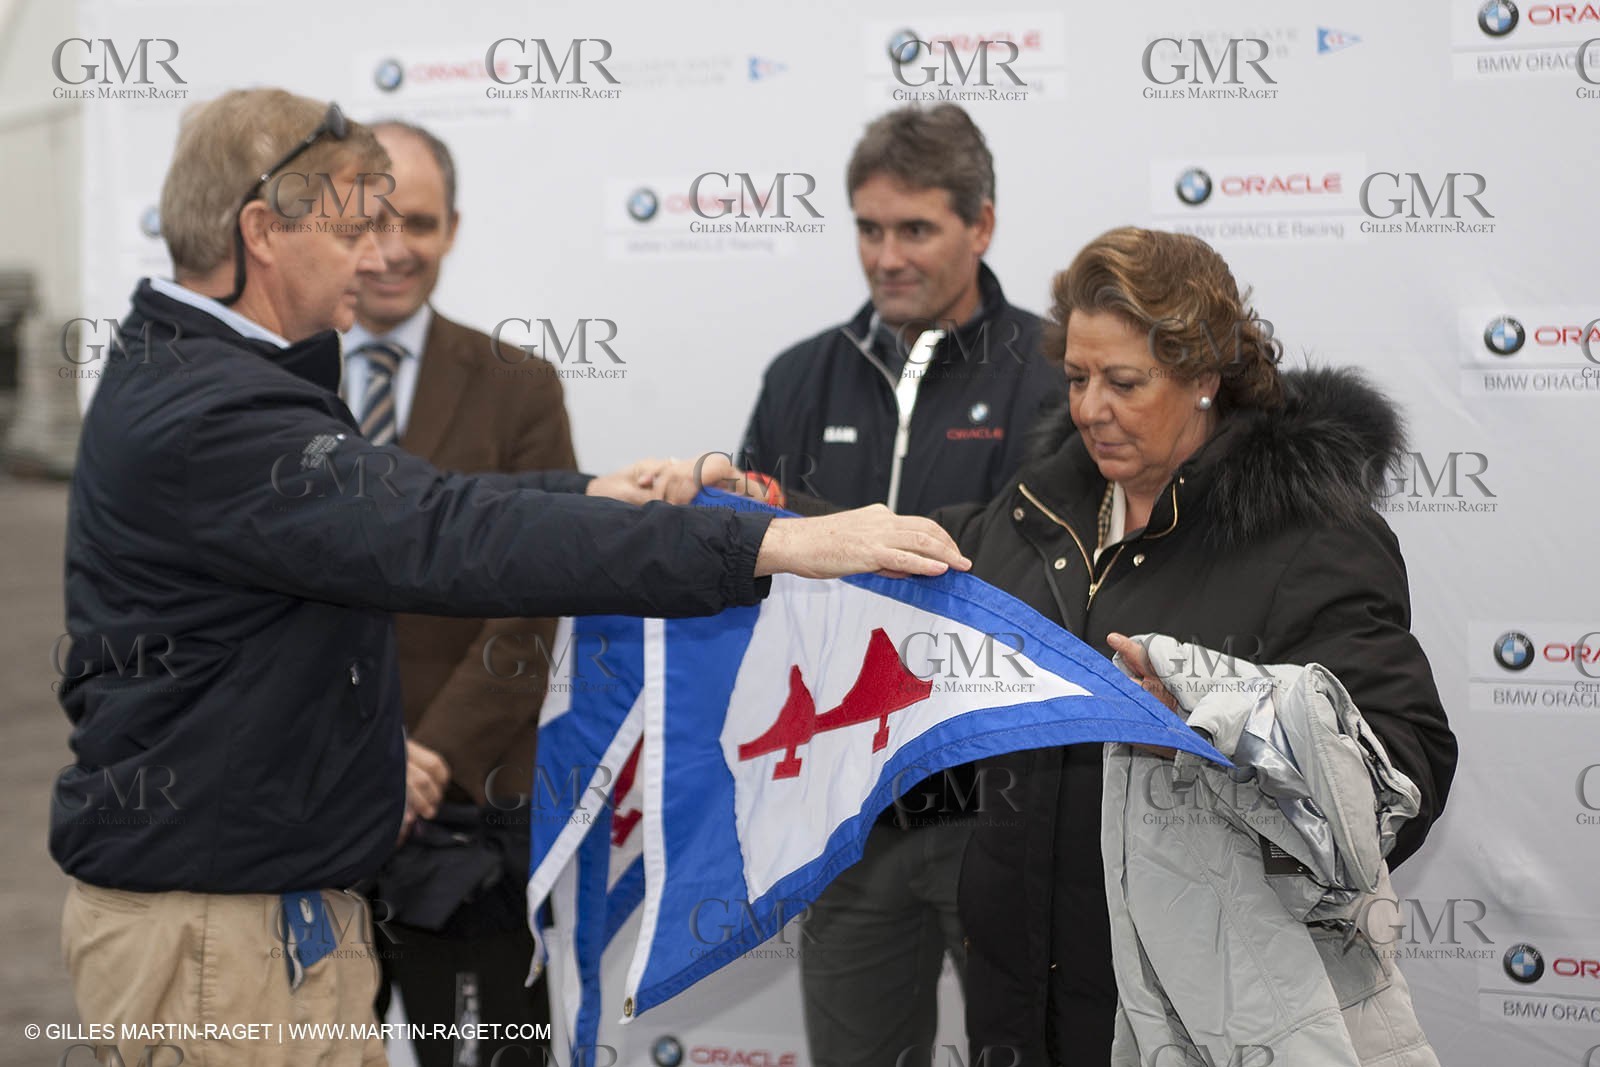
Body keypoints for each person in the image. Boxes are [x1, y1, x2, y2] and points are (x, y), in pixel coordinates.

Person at [50, 87, 967, 1067]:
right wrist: (766, 547)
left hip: (255, 920)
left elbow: (421, 507)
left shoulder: (210, 373)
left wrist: (598, 493)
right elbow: (442, 528)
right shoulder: (216, 413)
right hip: (220, 941)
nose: (376, 257)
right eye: (354, 229)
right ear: (263, 231)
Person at [933, 227, 1458, 1065]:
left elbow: (1402, 767)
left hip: (1210, 1022)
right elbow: (930, 560)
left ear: (1205, 378)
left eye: (1124, 382)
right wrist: (772, 518)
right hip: (1020, 1005)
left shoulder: (1310, 533)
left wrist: (1220, 717)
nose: (1089, 408)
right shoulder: (1044, 505)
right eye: (1075, 377)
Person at [733, 103, 1065, 1067]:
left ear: (982, 225)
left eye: (915, 228)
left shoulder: (1051, 378)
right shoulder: (801, 378)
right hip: (845, 818)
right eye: (869, 229)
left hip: (1000, 813)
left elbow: (1052, 589)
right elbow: (754, 565)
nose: (886, 256)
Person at [339, 118, 570, 1067]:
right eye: (375, 221)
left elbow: (535, 597)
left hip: (470, 807)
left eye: (422, 223)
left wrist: (425, 756)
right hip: (304, 805)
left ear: (455, 228)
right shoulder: (266, 386)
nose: (397, 250)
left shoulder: (518, 387)